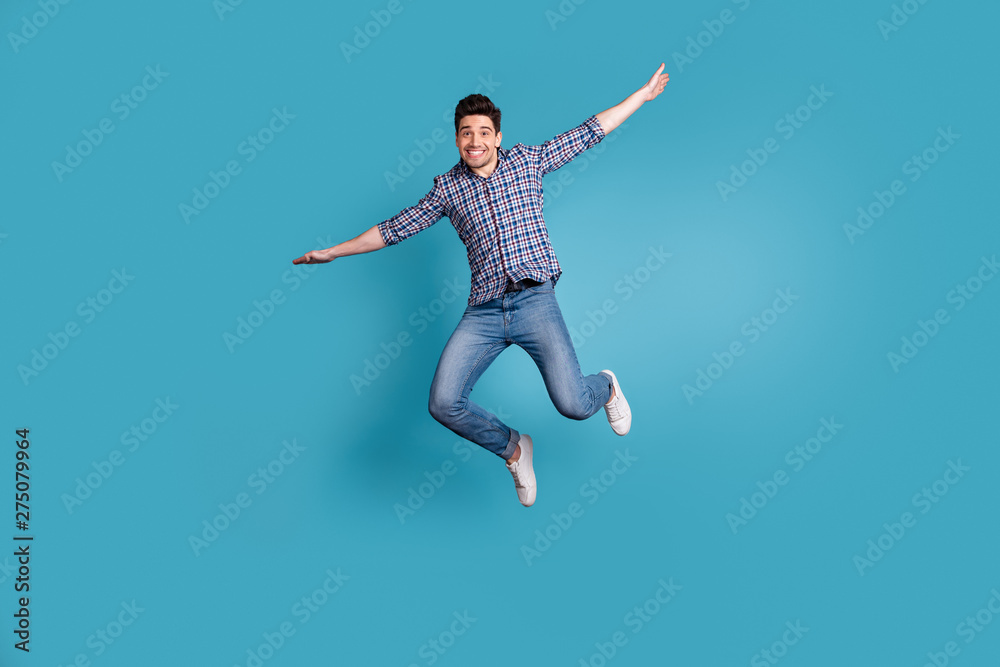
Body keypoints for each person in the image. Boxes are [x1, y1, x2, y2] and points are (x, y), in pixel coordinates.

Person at [293, 63, 669, 507]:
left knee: (573, 405)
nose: (475, 140)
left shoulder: (528, 161)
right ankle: (514, 448)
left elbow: (588, 132)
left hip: (534, 303)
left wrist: (640, 97)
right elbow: (396, 227)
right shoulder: (447, 189)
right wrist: (334, 251)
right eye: (466, 133)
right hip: (484, 314)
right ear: (457, 139)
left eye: (484, 132)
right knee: (443, 403)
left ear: (497, 138)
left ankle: (605, 385)